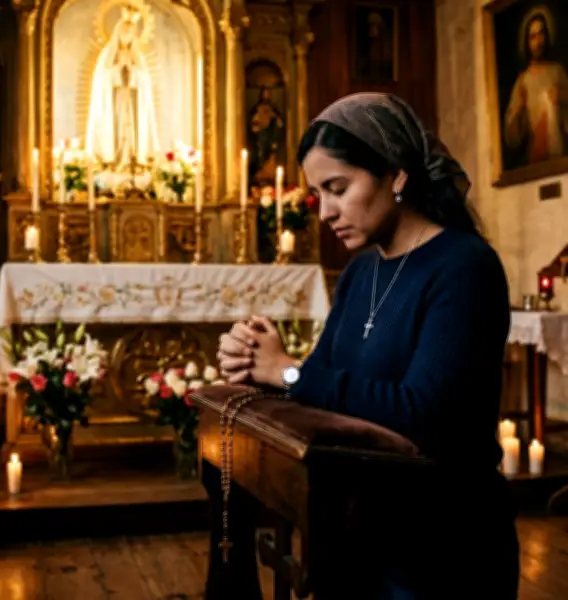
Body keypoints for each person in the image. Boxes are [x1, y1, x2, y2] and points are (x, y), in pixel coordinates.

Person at [217, 93, 519, 599]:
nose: (326, 212)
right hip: (358, 534)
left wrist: (288, 372)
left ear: (396, 175)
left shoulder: (465, 266)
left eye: (338, 188)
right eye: (318, 195)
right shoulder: (361, 272)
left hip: (443, 546)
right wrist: (256, 363)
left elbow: (422, 414)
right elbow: (325, 389)